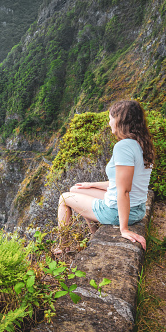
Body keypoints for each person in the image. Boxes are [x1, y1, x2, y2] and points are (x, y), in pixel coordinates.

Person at [57, 100, 155, 251]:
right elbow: (123, 182)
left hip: (117, 211)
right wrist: (92, 185)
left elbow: (124, 190)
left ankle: (62, 247)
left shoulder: (123, 147)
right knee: (76, 189)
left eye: (110, 118)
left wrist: (124, 229)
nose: (109, 123)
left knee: (64, 198)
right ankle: (94, 235)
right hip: (137, 208)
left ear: (120, 121)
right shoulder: (141, 144)